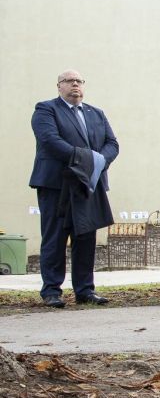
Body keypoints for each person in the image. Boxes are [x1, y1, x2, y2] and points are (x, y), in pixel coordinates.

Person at [29, 70, 119, 307]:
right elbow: (50, 140)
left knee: (86, 237)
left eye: (79, 81)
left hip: (88, 184)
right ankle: (51, 291)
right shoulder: (46, 109)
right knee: (55, 237)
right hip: (57, 184)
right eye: (69, 81)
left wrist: (98, 161)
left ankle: (85, 290)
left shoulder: (96, 113)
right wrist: (85, 159)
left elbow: (112, 143)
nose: (75, 84)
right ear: (59, 86)